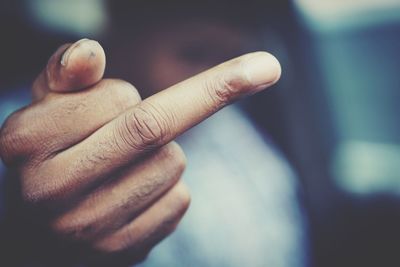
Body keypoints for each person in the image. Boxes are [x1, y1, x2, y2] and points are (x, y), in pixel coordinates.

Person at [0, 1, 308, 266]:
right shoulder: (20, 127)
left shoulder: (235, 132)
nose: (212, 75)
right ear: (123, 37)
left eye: (228, 57)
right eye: (194, 53)